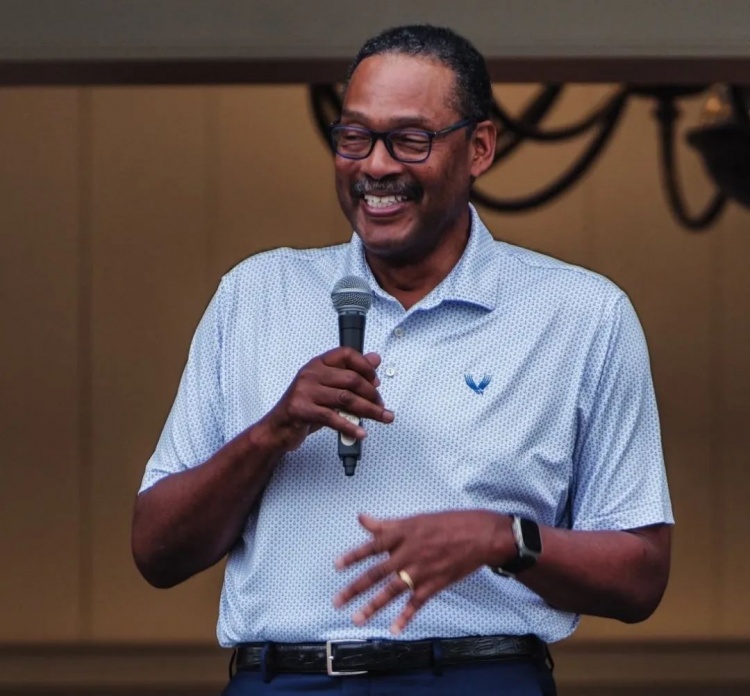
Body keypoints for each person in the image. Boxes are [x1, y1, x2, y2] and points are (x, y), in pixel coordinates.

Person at [131, 24, 673, 696]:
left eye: (410, 140)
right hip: (285, 680)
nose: (376, 166)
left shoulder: (582, 314)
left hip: (479, 677)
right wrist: (272, 431)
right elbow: (155, 551)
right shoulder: (256, 295)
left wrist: (503, 538)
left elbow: (641, 575)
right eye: (354, 137)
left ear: (479, 148)